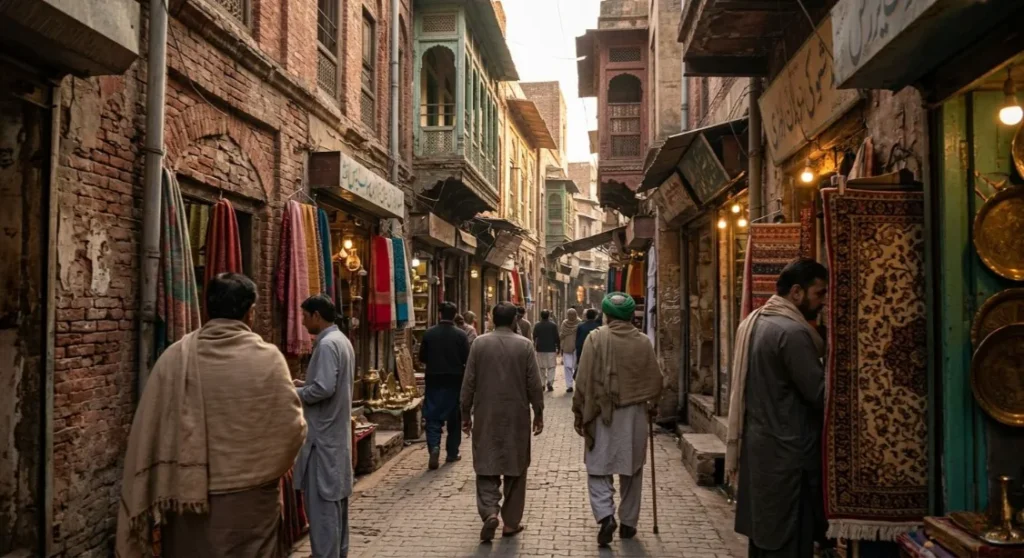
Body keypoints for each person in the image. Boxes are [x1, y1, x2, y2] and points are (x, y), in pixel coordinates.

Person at [116, 273, 306, 558]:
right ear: (249, 313)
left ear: (207, 309)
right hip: (250, 506)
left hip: (187, 498)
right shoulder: (268, 359)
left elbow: (149, 427)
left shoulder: (174, 358)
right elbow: (293, 430)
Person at [729, 258, 828, 558]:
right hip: (788, 456)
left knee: (765, 538)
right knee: (788, 539)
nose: (823, 303)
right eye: (819, 293)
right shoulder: (793, 333)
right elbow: (820, 394)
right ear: (796, 292)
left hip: (761, 450)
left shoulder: (753, 322)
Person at [573, 292, 663, 546]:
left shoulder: (595, 339)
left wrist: (580, 409)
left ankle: (605, 516)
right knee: (632, 469)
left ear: (607, 314)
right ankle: (628, 523)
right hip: (635, 414)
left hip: (602, 413)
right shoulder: (643, 342)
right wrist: (653, 406)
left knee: (598, 467)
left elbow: (582, 378)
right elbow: (655, 380)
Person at [461, 302, 545, 542]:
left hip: (486, 414)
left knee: (486, 463)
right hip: (516, 416)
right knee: (516, 468)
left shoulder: (479, 344)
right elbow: (534, 384)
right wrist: (538, 412)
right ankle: (510, 523)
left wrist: (465, 413)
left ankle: (489, 511)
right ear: (514, 321)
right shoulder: (525, 346)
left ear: (492, 319)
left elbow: (468, 382)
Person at [294, 294, 356, 558]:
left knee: (323, 511)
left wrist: (296, 393)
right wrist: (304, 387)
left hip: (323, 439)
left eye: (305, 316)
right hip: (333, 437)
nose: (303, 322)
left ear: (316, 316)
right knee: (335, 508)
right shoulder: (341, 341)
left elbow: (324, 388)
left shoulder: (328, 344)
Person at [420, 301, 471, 469]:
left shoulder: (429, 334)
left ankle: (434, 447)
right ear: (455, 315)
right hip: (455, 380)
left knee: (433, 415)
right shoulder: (461, 335)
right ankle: (452, 452)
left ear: (440, 314)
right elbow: (467, 359)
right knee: (454, 417)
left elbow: (422, 358)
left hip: (434, 379)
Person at [533, 309, 560, 392]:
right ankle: (550, 382)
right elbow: (556, 337)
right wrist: (558, 347)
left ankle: (542, 384)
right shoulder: (553, 325)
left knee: (541, 368)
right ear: (548, 316)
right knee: (551, 367)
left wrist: (535, 345)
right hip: (551, 348)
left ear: (541, 316)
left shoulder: (537, 325)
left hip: (540, 349)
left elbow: (534, 337)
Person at [558, 308, 582, 392]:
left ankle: (578, 384)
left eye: (573, 314)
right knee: (567, 367)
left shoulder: (579, 323)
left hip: (577, 348)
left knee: (576, 367)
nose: (571, 316)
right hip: (566, 348)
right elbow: (561, 335)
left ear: (575, 314)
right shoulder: (564, 323)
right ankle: (569, 385)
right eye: (569, 314)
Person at [574, 308, 601, 379]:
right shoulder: (598, 327)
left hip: (583, 351)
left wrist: (578, 355)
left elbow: (578, 342)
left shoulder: (580, 326)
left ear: (586, 316)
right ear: (595, 316)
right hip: (595, 351)